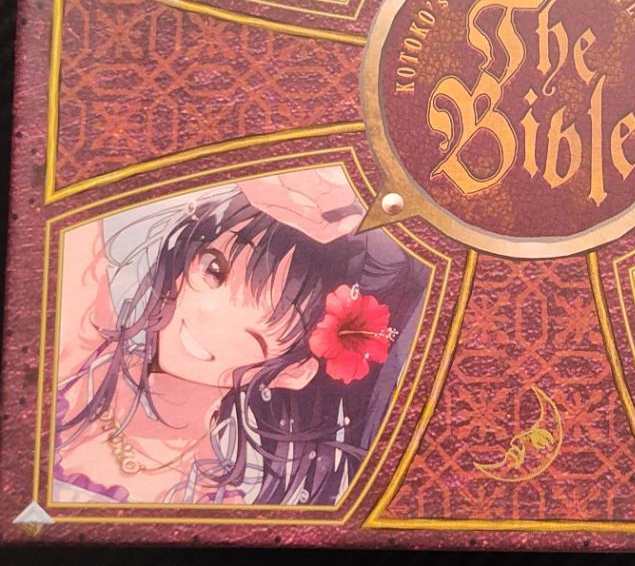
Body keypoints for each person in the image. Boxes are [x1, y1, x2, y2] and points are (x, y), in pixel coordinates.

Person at [54, 169, 427, 505]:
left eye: (255, 332)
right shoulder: (79, 351)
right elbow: (70, 172)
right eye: (213, 270)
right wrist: (252, 170)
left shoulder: (210, 507)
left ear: (293, 372)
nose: (206, 312)